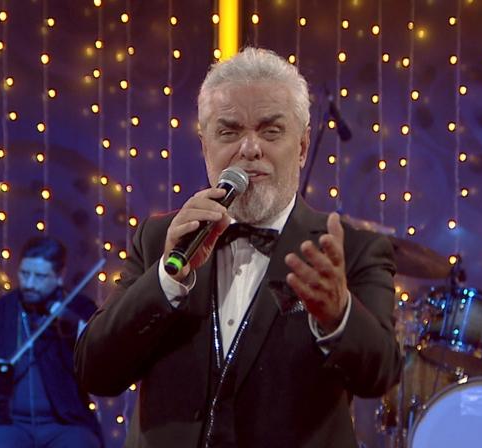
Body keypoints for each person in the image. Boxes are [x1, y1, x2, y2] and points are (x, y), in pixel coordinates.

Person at [74, 47, 402, 448]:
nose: (250, 149)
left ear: (301, 147)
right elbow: (96, 372)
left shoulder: (351, 249)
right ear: (205, 145)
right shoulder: (160, 238)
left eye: (271, 131)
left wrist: (338, 316)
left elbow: (381, 374)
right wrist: (166, 279)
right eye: (229, 132)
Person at [0, 236, 102, 448]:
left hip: (65, 423)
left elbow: (102, 356)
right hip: (7, 423)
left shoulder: (79, 309)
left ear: (60, 276)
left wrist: (74, 324)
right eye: (24, 273)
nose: (29, 284)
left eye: (40, 277)